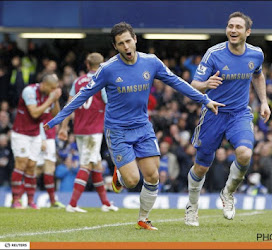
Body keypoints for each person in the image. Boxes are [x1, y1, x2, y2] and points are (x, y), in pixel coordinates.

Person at [44, 22, 224, 230]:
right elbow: (81, 95)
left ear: (135, 39)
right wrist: (57, 120)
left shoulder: (151, 62)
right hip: (118, 130)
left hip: (142, 127)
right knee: (131, 180)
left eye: (128, 41)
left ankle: (143, 218)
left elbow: (177, 83)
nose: (126, 46)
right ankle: (120, 175)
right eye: (121, 43)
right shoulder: (107, 69)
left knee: (153, 175)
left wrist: (205, 100)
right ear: (115, 46)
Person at [185, 11, 271, 226]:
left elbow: (258, 75)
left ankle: (227, 193)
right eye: (230, 26)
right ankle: (192, 207)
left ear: (247, 32)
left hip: (240, 113)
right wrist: (206, 85)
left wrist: (264, 102)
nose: (233, 30)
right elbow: (194, 84)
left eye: (238, 27)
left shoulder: (256, 54)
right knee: (202, 166)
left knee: (244, 154)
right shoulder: (214, 54)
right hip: (213, 112)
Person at [58, 52, 118, 213]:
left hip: (79, 129)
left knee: (96, 163)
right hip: (94, 130)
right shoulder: (102, 80)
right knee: (87, 163)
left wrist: (64, 127)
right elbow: (109, 103)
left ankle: (105, 203)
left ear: (86, 64)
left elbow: (69, 105)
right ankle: (72, 204)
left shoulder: (77, 81)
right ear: (102, 64)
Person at [10, 73, 61, 209]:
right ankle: (15, 200)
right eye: (52, 88)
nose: (53, 91)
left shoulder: (49, 95)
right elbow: (34, 113)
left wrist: (55, 100)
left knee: (32, 166)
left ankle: (31, 201)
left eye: (55, 89)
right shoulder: (29, 91)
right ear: (44, 85)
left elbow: (56, 115)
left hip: (36, 134)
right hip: (21, 133)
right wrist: (50, 100)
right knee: (21, 163)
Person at [38, 115, 66, 208]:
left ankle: (52, 201)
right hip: (36, 135)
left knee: (50, 169)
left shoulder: (52, 101)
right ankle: (23, 198)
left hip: (50, 136)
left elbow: (56, 112)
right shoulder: (39, 100)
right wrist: (42, 138)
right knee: (33, 169)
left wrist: (55, 100)